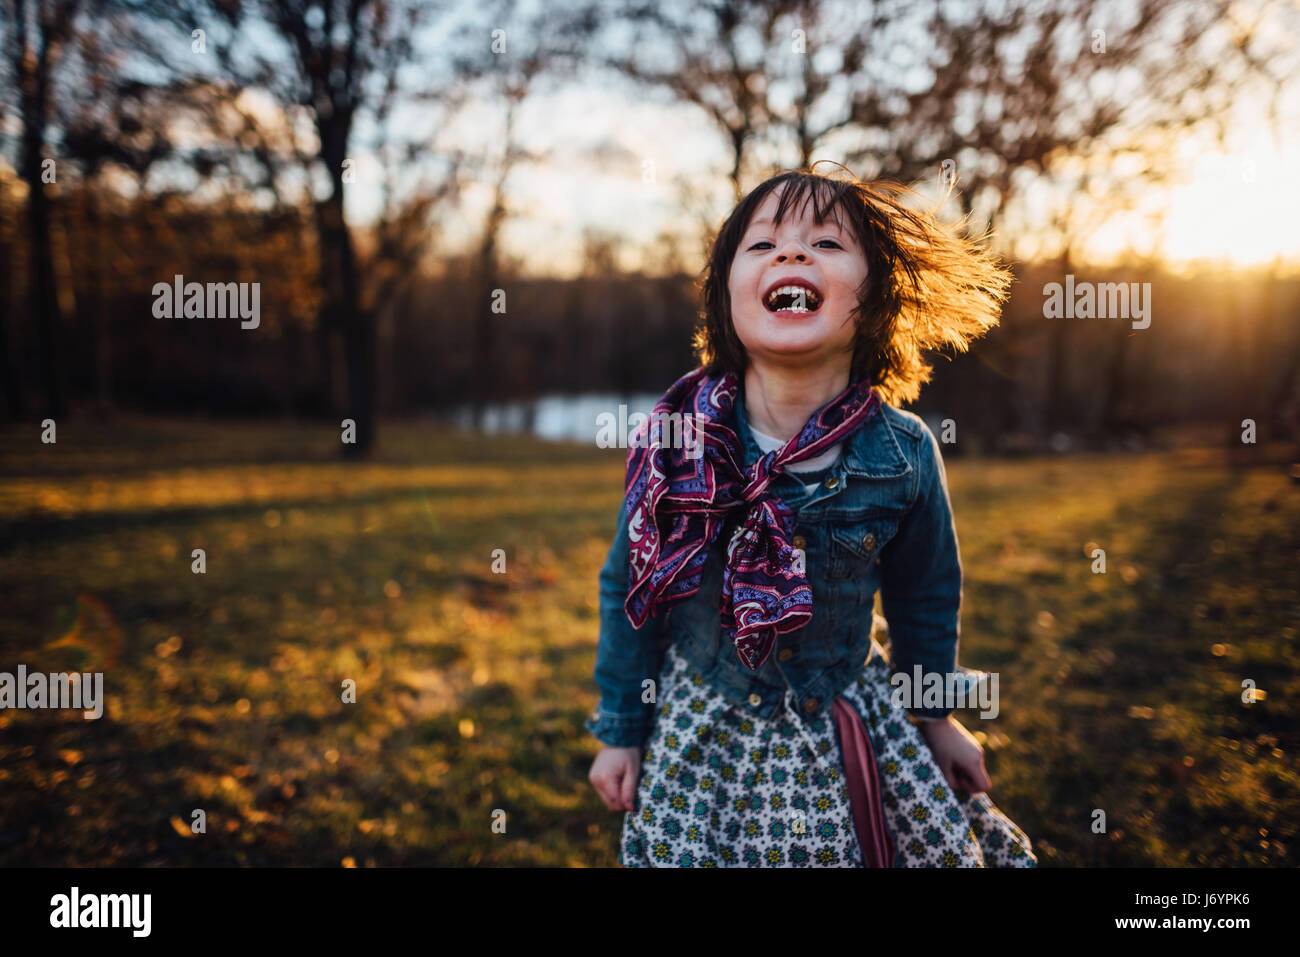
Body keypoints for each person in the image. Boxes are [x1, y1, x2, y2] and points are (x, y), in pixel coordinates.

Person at [586, 164, 1037, 867]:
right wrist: (622, 729)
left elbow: (925, 596)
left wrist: (937, 716)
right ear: (726, 297)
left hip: (840, 717)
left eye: (826, 244)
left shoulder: (904, 452)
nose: (791, 254)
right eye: (762, 246)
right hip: (706, 724)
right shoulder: (679, 444)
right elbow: (630, 588)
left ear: (876, 296)